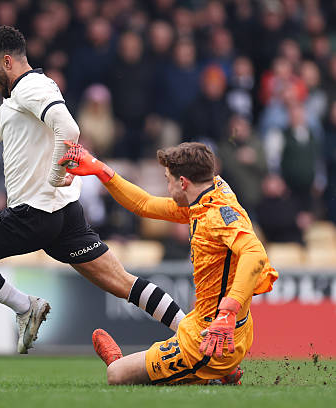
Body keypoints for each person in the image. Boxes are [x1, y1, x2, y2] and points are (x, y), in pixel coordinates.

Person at [0, 25, 186, 354]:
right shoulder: (17, 96)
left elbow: (69, 128)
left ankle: (25, 306)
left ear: (7, 61)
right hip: (63, 214)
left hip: (32, 214)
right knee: (124, 283)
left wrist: (55, 175)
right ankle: (192, 333)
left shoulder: (32, 87)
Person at [58, 141, 279, 385]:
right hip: (210, 326)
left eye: (167, 180)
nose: (167, 187)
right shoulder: (208, 194)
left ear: (183, 182)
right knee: (179, 333)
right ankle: (222, 373)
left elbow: (255, 254)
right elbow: (144, 204)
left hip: (212, 338)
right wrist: (100, 170)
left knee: (116, 375)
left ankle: (209, 374)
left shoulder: (215, 215)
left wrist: (227, 311)